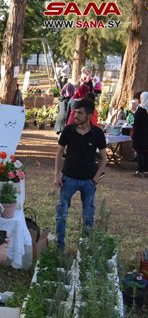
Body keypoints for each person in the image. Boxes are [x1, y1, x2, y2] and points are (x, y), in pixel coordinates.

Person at [54, 98, 107, 249]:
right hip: (68, 179)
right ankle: (59, 247)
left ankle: (85, 248)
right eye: (74, 112)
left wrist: (95, 179)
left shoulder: (97, 133)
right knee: (61, 215)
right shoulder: (68, 130)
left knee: (88, 217)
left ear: (89, 115)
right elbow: (59, 154)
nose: (75, 115)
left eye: (79, 113)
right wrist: (57, 174)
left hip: (88, 182)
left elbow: (104, 158)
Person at [132, 92, 148, 177]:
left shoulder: (141, 110)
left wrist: (133, 133)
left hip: (140, 135)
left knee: (139, 152)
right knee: (145, 153)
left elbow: (136, 124)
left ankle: (140, 171)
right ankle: (145, 170)